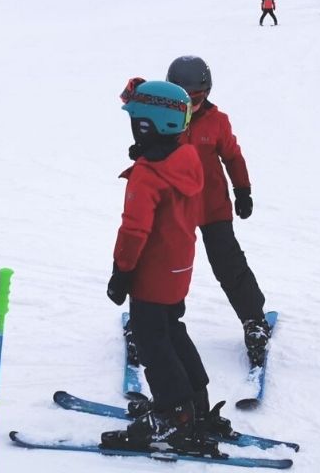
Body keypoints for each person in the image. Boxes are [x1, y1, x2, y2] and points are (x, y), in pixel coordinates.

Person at [101, 80, 219, 455]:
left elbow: (134, 231)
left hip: (151, 275)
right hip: (179, 269)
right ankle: (195, 403)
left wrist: (121, 273)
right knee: (171, 330)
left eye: (136, 121)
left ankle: (174, 415)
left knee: (151, 340)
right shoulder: (186, 160)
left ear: (149, 125)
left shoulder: (149, 174)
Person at [164, 57, 271, 369]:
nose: (190, 105)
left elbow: (233, 157)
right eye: (183, 97)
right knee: (161, 266)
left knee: (229, 265)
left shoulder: (217, 121)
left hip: (212, 207)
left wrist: (243, 190)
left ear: (206, 93)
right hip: (173, 209)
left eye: (196, 98)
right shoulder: (163, 118)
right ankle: (148, 321)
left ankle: (254, 320)